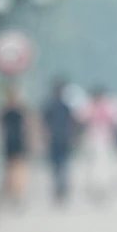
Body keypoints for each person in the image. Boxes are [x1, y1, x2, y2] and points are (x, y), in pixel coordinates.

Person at [80, 85, 117, 202]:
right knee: (95, 165)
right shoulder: (93, 106)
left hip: (102, 139)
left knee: (101, 165)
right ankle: (96, 187)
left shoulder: (104, 106)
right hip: (95, 139)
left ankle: (100, 187)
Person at [40, 77, 79, 205]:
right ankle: (62, 188)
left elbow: (44, 125)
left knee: (56, 166)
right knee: (63, 165)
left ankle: (59, 189)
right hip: (63, 140)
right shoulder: (66, 106)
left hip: (54, 140)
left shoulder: (49, 106)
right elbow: (72, 124)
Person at [0, 84, 31, 205]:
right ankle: (18, 192)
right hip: (19, 142)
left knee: (10, 169)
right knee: (19, 169)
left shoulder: (4, 111)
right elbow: (27, 126)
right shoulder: (21, 110)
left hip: (8, 143)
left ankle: (13, 191)